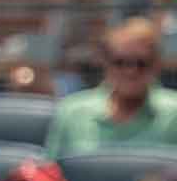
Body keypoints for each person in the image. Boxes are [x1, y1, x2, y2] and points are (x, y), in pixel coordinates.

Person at [46, 17, 177, 159]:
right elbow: (51, 174)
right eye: (120, 62)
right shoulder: (71, 111)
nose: (131, 71)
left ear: (156, 65)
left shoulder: (174, 113)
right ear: (105, 63)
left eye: (141, 63)